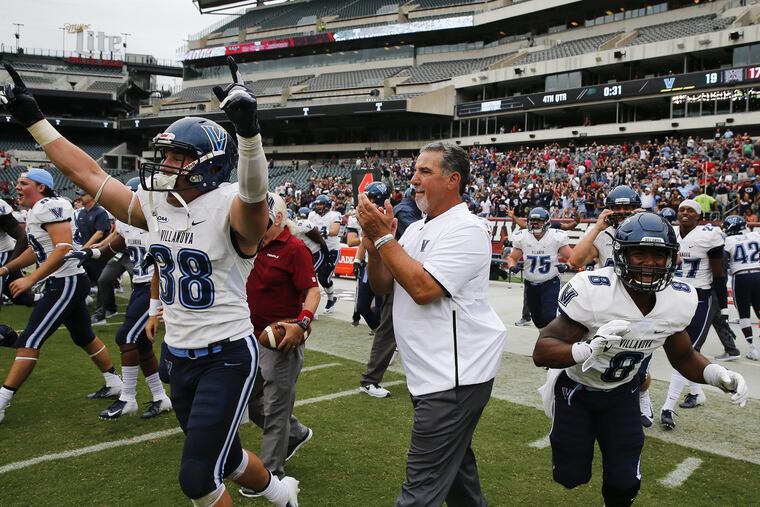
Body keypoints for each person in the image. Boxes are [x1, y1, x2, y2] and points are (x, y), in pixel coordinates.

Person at [0, 61, 299, 505]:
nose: (165, 164)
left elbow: (254, 197)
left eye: (178, 157)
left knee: (198, 479)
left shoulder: (232, 207)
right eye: (166, 154)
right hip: (177, 354)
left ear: (209, 165)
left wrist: (249, 135)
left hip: (227, 356)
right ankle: (282, 494)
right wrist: (35, 121)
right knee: (228, 456)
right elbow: (89, 175)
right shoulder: (156, 204)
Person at [533, 212, 748, 507]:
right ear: (622, 255)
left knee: (624, 483)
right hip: (577, 392)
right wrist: (587, 349)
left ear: (672, 258)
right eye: (639, 254)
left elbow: (684, 356)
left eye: (659, 255)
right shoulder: (594, 289)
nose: (650, 263)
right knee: (570, 477)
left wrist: (716, 374)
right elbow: (542, 349)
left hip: (623, 393)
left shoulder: (678, 298)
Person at [358, 141, 506, 506]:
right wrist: (375, 246)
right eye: (415, 170)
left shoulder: (468, 229)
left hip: (454, 378)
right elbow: (383, 287)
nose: (414, 179)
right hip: (433, 374)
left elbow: (424, 289)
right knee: (458, 480)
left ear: (453, 179)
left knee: (419, 492)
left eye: (425, 171)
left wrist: (382, 236)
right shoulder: (415, 229)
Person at [0, 168, 123, 424]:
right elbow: (39, 251)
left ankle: (2, 400)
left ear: (41, 187)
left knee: (30, 340)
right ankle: (114, 382)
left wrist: (31, 279)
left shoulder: (49, 206)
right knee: (84, 336)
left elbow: (63, 247)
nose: (17, 187)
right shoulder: (39, 210)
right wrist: (7, 268)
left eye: (24, 183)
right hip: (64, 280)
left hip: (66, 281)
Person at [65, 177, 172, 420]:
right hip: (140, 285)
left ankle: (127, 397)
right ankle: (160, 397)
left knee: (126, 336)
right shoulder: (126, 222)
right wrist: (89, 253)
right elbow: (116, 245)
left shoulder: (158, 223)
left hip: (155, 288)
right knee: (141, 343)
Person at [240, 192, 319, 497]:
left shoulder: (295, 248)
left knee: (275, 406)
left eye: (265, 220)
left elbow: (313, 291)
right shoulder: (246, 242)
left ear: (280, 219)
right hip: (247, 334)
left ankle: (272, 471)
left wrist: (303, 322)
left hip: (280, 339)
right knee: (249, 400)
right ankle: (296, 433)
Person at [567, 185, 655, 427]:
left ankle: (642, 394)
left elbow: (673, 259)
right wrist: (597, 227)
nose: (623, 211)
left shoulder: (650, 228)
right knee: (601, 366)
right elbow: (575, 260)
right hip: (606, 310)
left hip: (641, 308)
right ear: (609, 209)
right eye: (618, 207)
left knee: (637, 370)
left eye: (628, 207)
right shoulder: (603, 235)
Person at [660, 199, 739, 430]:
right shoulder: (671, 233)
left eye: (690, 210)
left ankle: (668, 407)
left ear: (699, 216)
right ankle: (697, 393)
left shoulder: (709, 235)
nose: (685, 213)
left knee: (687, 351)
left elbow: (719, 274)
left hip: (699, 298)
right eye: (682, 209)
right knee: (677, 349)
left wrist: (722, 309)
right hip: (674, 296)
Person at [358, 185, 421, 398]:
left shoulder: (408, 210)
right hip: (398, 275)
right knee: (387, 328)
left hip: (404, 274)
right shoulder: (404, 212)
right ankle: (370, 380)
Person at [505, 207, 572, 328]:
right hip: (530, 284)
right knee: (537, 319)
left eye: (539, 221)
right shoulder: (522, 236)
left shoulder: (556, 236)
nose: (535, 224)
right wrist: (512, 267)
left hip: (550, 282)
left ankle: (551, 341)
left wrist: (568, 265)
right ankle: (545, 338)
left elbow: (571, 257)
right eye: (532, 221)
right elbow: (512, 257)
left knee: (550, 316)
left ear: (546, 222)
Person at [723, 214, 760, 360]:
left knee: (744, 314)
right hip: (758, 273)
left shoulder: (728, 241)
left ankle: (752, 349)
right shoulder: (755, 235)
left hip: (741, 276)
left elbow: (723, 262)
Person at [0, 197, 36, 308]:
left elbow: (22, 237)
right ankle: (53, 297)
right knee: (20, 297)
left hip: (2, 253)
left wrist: (9, 265)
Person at [73, 188, 112, 290]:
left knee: (101, 280)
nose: (80, 197)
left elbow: (99, 233)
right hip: (86, 251)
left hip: (98, 252)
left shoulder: (100, 212)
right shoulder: (81, 213)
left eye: (83, 195)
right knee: (84, 279)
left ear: (92, 196)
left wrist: (85, 247)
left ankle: (103, 305)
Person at [308, 194, 340, 313]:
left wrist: (321, 232)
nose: (319, 206)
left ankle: (331, 299)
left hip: (332, 250)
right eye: (317, 204)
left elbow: (335, 231)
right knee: (311, 275)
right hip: (318, 250)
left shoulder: (334, 215)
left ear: (326, 205)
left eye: (321, 204)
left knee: (324, 278)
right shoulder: (312, 215)